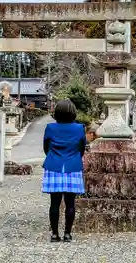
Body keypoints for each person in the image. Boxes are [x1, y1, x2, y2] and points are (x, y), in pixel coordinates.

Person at [42, 99, 87, 242]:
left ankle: (55, 234)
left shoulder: (50, 127)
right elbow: (82, 147)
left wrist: (53, 156)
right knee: (70, 203)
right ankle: (67, 234)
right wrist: (74, 157)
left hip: (54, 166)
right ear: (73, 113)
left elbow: (46, 146)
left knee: (54, 203)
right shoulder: (80, 128)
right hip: (73, 166)